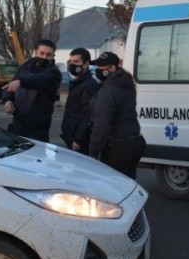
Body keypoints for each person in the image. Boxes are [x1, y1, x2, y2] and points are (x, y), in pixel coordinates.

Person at [88, 51, 146, 179]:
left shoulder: (109, 90)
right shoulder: (126, 84)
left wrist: (93, 150)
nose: (98, 70)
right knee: (128, 183)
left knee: (114, 188)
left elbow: (102, 123)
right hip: (134, 142)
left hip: (118, 148)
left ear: (112, 67)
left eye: (101, 67)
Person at [2, 39, 62, 142]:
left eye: (48, 55)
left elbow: (40, 80)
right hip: (17, 125)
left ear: (53, 56)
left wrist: (21, 81)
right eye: (41, 53)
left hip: (37, 130)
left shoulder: (54, 73)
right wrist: (7, 100)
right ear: (35, 52)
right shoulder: (24, 68)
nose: (44, 57)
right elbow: (10, 87)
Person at [60, 48, 99, 154]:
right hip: (71, 138)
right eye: (71, 62)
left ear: (86, 64)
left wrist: (78, 140)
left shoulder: (88, 85)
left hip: (78, 143)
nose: (72, 65)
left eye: (76, 62)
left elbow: (86, 114)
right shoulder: (77, 83)